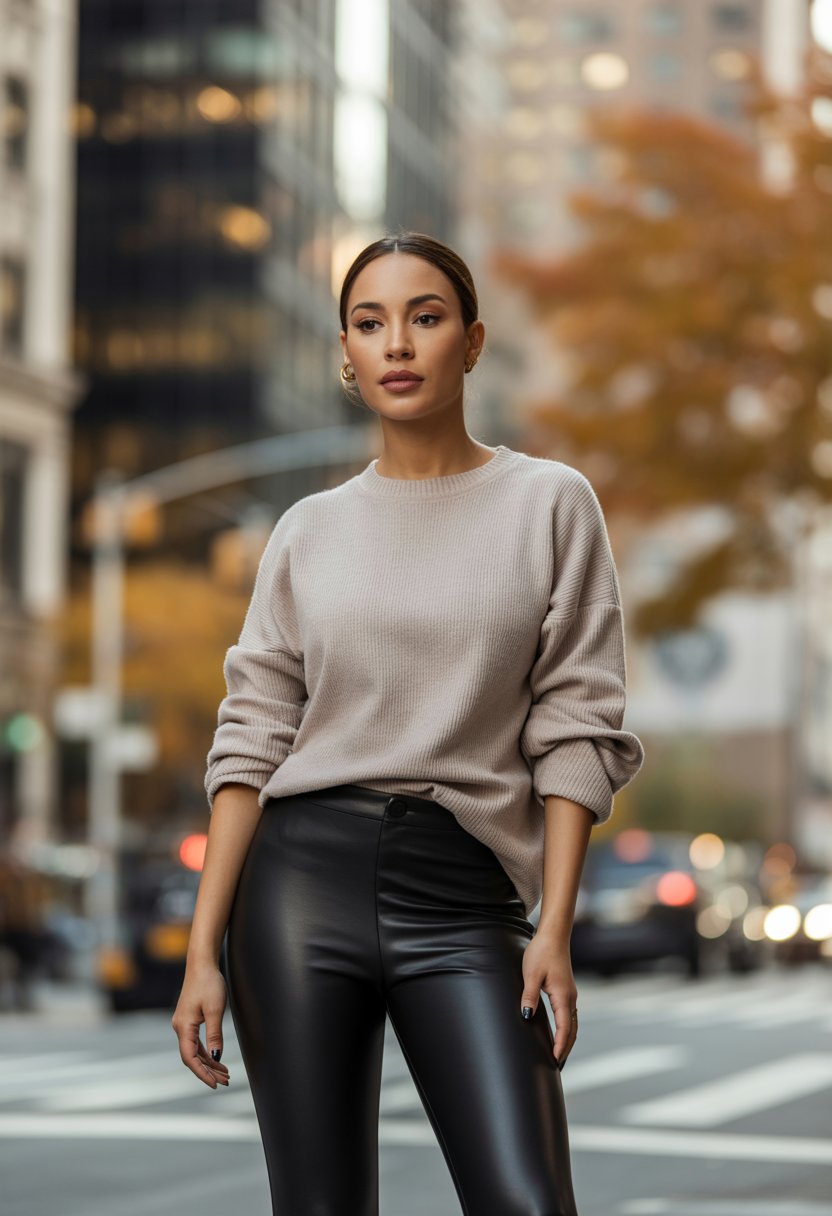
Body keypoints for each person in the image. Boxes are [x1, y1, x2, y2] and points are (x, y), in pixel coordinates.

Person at [172, 230, 645, 1216]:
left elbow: (577, 723)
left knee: (526, 1200)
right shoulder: (306, 530)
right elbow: (251, 736)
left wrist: (552, 923)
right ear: (345, 353)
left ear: (469, 343)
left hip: (464, 889)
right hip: (299, 887)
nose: (397, 343)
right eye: (369, 322)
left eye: (424, 318)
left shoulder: (550, 504)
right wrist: (201, 950)